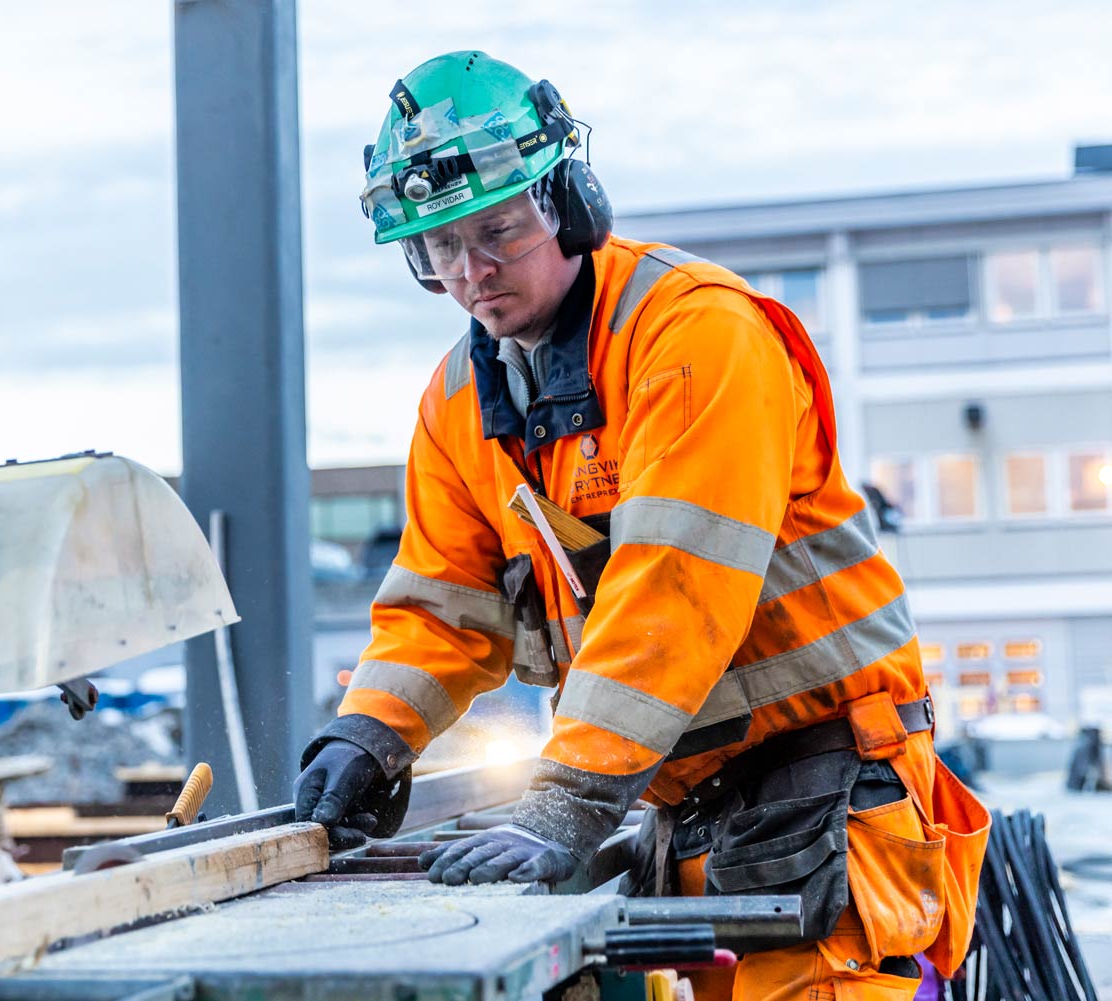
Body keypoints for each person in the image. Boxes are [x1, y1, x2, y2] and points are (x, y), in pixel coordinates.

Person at [293, 51, 989, 999]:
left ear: (571, 201)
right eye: (439, 249)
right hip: (681, 809)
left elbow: (675, 581)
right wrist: (367, 735)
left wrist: (568, 797)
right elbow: (440, 604)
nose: (472, 274)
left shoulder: (697, 336)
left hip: (824, 793)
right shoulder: (459, 399)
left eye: (497, 229)